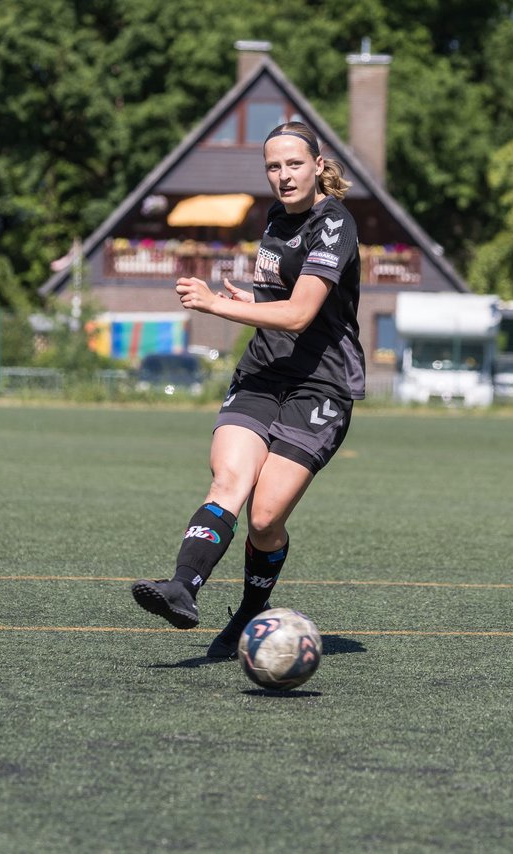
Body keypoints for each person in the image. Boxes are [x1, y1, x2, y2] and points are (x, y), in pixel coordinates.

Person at [130, 121, 364, 658]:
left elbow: (302, 313)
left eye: (293, 165)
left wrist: (217, 303)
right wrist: (250, 301)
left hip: (320, 387)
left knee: (264, 518)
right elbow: (278, 299)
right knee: (230, 480)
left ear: (317, 162)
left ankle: (251, 611)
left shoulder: (334, 225)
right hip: (261, 374)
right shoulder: (277, 217)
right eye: (273, 167)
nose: (283, 176)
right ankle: (182, 589)